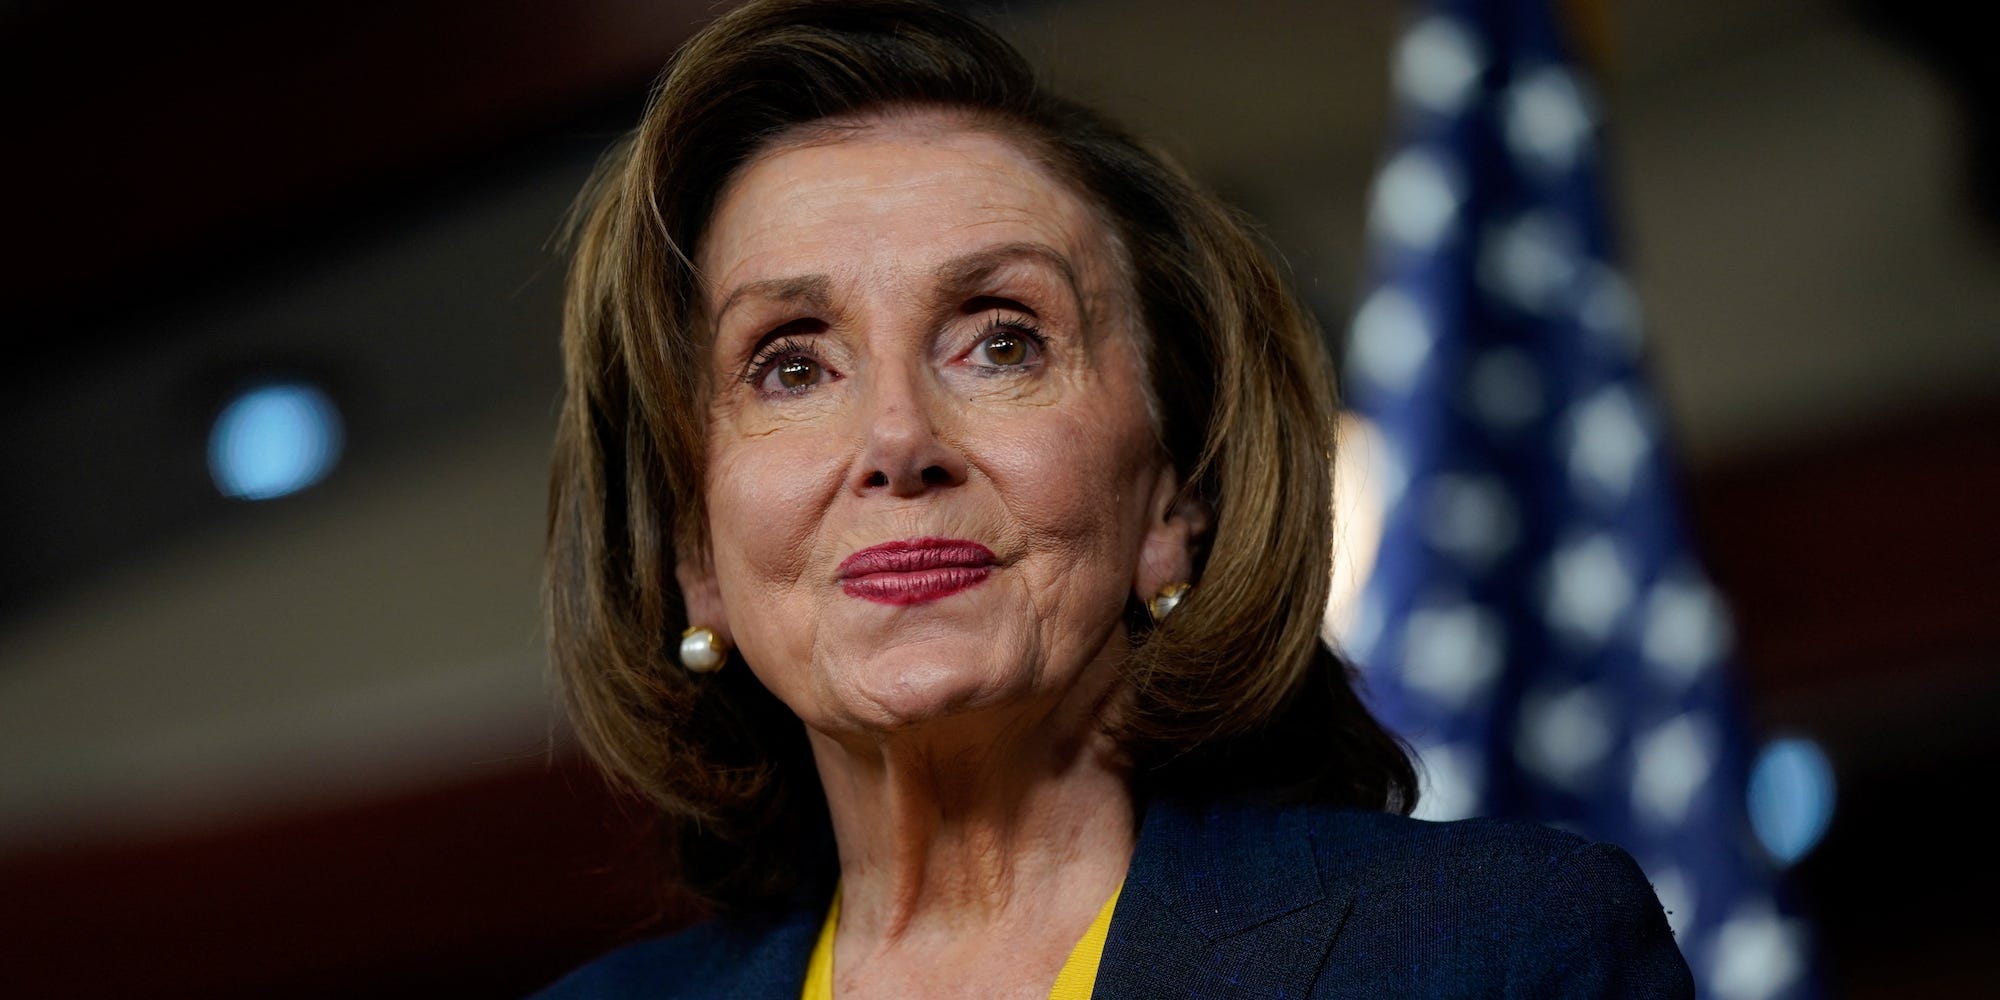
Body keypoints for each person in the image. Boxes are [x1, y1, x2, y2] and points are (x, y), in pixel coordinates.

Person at [535, 1, 1693, 996]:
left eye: (1000, 344)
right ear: (695, 552)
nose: (895, 440)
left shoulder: (1492, 954)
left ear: (1172, 498)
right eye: (790, 365)